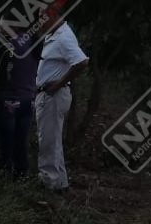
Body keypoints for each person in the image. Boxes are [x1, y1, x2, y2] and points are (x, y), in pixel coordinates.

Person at [35, 11, 89, 193]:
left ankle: (48, 183)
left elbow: (81, 62)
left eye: (42, 19)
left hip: (53, 95)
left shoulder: (64, 37)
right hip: (49, 94)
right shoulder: (55, 34)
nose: (40, 24)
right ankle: (59, 182)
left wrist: (58, 84)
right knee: (53, 139)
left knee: (48, 140)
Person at [0, 42, 40, 179]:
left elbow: (1, 72)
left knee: (6, 142)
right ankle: (21, 173)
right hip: (28, 99)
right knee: (21, 141)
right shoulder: (33, 44)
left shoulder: (10, 45)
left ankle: (5, 174)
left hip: (9, 100)